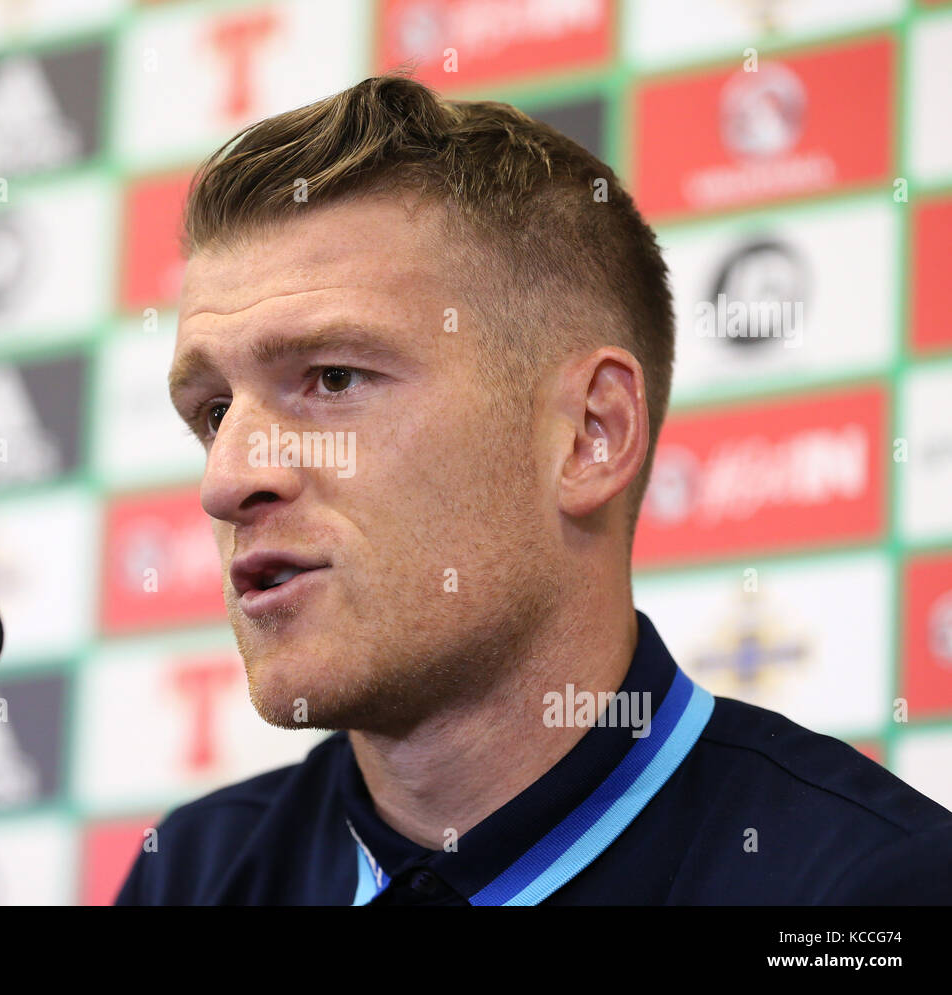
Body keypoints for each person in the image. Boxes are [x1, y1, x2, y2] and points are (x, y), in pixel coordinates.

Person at [116, 72, 952, 905]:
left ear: (592, 434)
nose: (226, 480)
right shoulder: (189, 874)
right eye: (216, 409)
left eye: (334, 378)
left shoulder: (865, 892)